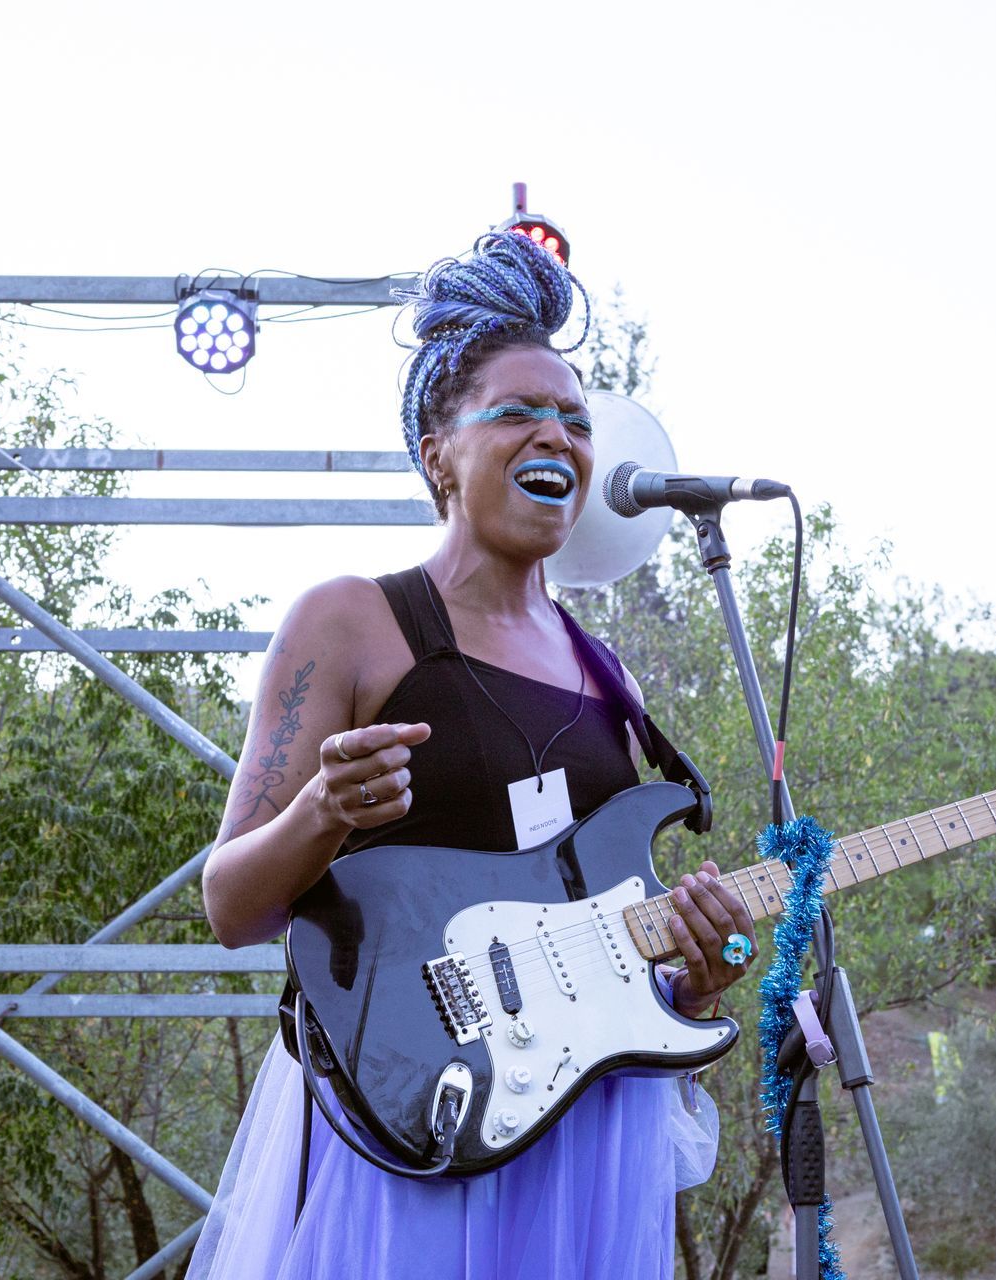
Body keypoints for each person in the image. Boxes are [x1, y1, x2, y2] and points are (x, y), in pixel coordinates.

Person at [187, 230, 758, 1279]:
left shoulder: (611, 678)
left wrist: (696, 984)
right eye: (517, 411)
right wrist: (322, 809)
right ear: (437, 453)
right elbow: (231, 905)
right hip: (418, 1125)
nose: (558, 434)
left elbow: (604, 961)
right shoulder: (353, 623)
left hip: (586, 1142)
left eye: (576, 420)